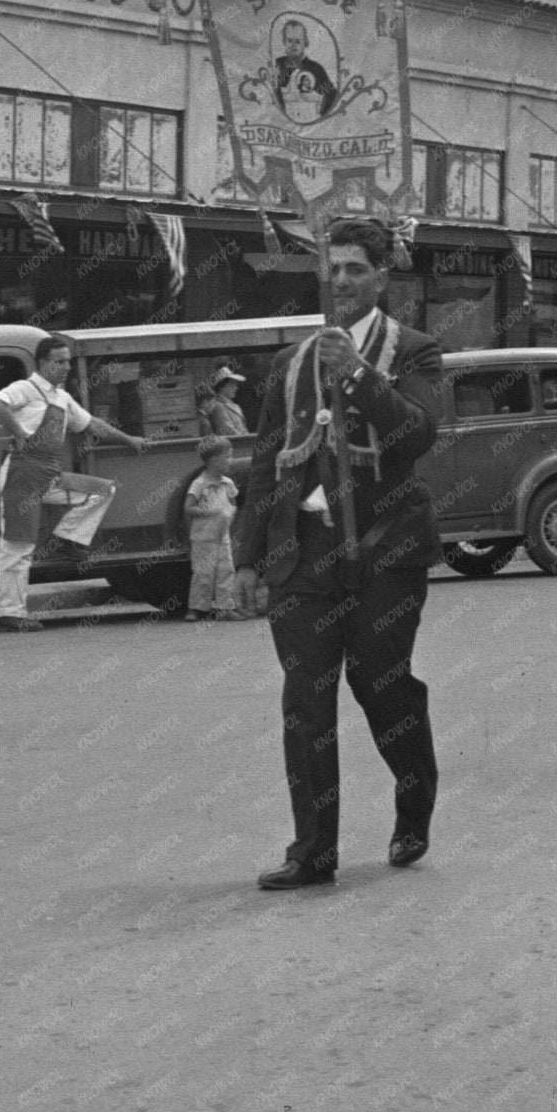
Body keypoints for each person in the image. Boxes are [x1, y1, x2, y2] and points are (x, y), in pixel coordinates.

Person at [237, 217, 443, 889]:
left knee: (381, 687)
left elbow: (416, 435)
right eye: (335, 268)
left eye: (357, 268)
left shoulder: (414, 351)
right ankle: (312, 852)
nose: (344, 280)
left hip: (385, 550)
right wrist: (247, 557)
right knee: (305, 702)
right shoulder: (288, 364)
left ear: (381, 277)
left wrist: (356, 374)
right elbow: (265, 463)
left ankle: (414, 800)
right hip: (304, 552)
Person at [0, 335, 152, 633]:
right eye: (59, 362)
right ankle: (11, 614)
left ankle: (67, 540)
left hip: (50, 475)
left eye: (68, 362)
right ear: (43, 363)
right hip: (21, 475)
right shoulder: (26, 388)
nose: (66, 367)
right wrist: (19, 432)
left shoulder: (63, 398)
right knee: (18, 545)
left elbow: (92, 425)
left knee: (103, 490)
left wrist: (130, 440)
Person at [183, 435, 241, 620]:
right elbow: (188, 507)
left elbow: (233, 503)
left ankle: (226, 607)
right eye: (228, 457)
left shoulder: (228, 483)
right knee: (203, 573)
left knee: (226, 571)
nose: (231, 460)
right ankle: (196, 608)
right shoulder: (199, 484)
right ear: (215, 461)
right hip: (203, 537)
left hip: (223, 537)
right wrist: (204, 511)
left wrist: (230, 515)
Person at [199, 365, 250, 438]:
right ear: (222, 386)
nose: (235, 387)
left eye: (236, 384)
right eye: (232, 384)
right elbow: (227, 432)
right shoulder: (217, 406)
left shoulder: (235, 405)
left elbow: (244, 428)